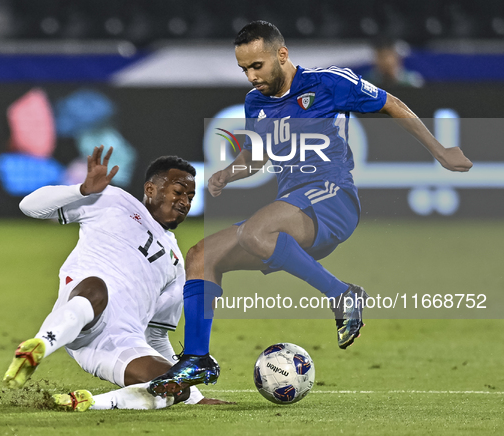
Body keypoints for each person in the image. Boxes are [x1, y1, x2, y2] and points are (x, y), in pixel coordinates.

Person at [147, 20, 473, 396]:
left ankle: (342, 295)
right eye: (244, 69)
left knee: (256, 230)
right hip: (292, 209)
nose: (251, 76)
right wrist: (227, 173)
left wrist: (440, 151)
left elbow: (392, 104)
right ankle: (198, 360)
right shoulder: (256, 103)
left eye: (257, 66)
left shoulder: (329, 82)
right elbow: (258, 156)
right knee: (202, 255)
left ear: (281, 55)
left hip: (333, 197)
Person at [3, 146, 227, 410]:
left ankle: (85, 402)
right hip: (82, 308)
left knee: (174, 386)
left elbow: (156, 337)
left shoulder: (178, 263)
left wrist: (193, 395)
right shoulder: (112, 200)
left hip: (117, 343)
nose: (185, 202)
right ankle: (38, 346)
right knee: (97, 288)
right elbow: (29, 207)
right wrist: (82, 190)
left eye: (190, 196)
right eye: (178, 192)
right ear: (151, 189)